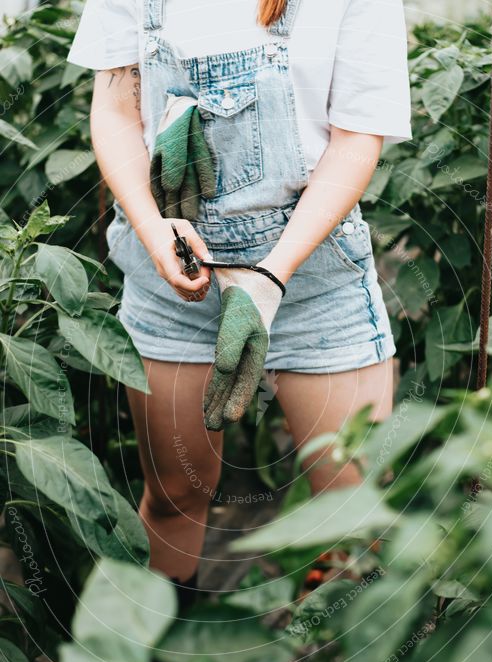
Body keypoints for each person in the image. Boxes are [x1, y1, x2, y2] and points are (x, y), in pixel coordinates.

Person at [67, 0, 412, 599]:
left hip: (312, 279)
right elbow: (116, 111)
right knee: (175, 493)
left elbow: (357, 140)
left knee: (354, 504)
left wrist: (270, 277)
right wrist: (154, 230)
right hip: (176, 276)